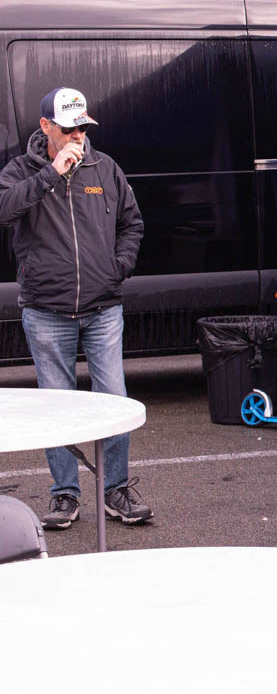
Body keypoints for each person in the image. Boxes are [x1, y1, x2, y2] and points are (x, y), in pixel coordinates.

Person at [0, 87, 150, 529]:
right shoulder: (20, 171)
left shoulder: (105, 168)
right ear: (46, 126)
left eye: (83, 127)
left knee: (114, 398)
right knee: (56, 405)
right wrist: (51, 173)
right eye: (69, 129)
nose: (78, 136)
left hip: (102, 308)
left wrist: (117, 268)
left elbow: (132, 223)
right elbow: (4, 210)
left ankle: (115, 489)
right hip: (46, 310)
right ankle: (65, 494)